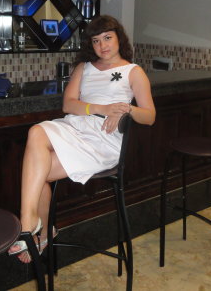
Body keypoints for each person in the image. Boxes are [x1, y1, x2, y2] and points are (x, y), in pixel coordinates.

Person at [9, 15, 156, 262]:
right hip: (75, 126)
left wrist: (126, 108)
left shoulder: (133, 72)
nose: (102, 45)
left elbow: (150, 116)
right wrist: (101, 108)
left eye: (107, 38)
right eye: (96, 41)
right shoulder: (83, 68)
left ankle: (38, 231)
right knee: (36, 133)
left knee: (37, 173)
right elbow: (68, 104)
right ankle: (31, 223)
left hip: (103, 140)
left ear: (119, 38)